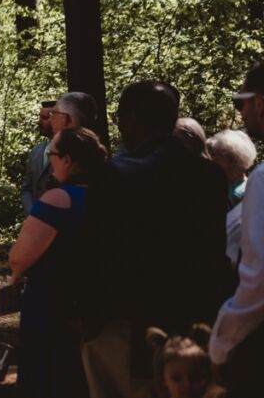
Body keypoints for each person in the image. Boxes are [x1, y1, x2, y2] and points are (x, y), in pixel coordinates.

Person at [75, 79, 233, 398]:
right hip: (193, 324)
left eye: (120, 117)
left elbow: (96, 254)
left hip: (127, 323)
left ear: (133, 118)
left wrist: (88, 320)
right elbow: (214, 254)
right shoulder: (211, 177)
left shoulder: (115, 175)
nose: (119, 125)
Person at [10, 122, 106, 398]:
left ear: (67, 160)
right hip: (90, 299)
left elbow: (19, 258)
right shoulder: (107, 194)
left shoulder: (58, 199)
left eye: (52, 154)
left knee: (47, 376)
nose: (50, 160)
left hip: (52, 300)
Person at [212, 63, 264, 393]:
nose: (240, 113)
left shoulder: (262, 180)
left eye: (240, 103)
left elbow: (258, 280)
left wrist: (220, 344)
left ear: (259, 103)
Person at [205, 127, 255, 267]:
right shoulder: (245, 186)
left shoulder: (237, 194)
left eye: (216, 155)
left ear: (231, 160)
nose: (212, 159)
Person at [27, 101, 60, 215]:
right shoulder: (36, 151)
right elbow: (26, 188)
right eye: (39, 117)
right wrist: (32, 213)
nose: (39, 122)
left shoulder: (69, 151)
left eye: (44, 118)